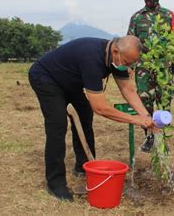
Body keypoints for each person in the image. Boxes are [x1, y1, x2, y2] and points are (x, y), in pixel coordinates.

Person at [28, 35, 154, 201]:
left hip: (71, 80)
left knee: (84, 116)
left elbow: (128, 90)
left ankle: (84, 166)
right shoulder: (92, 58)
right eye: (127, 62)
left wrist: (145, 117)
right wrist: (135, 120)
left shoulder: (116, 58)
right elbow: (100, 108)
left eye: (132, 64)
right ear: (115, 51)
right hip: (46, 77)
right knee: (57, 126)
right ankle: (55, 183)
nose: (129, 68)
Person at [127, 0, 174, 152]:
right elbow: (131, 42)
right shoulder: (137, 18)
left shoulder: (168, 15)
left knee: (164, 101)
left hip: (164, 66)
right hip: (144, 67)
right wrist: (129, 65)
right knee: (145, 101)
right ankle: (149, 136)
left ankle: (163, 138)